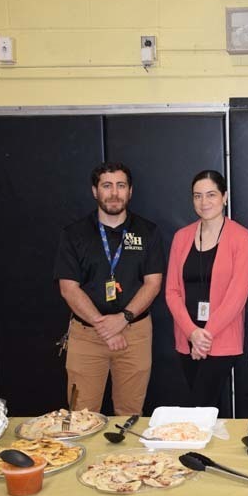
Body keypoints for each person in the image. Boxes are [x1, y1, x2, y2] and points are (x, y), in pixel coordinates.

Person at [54, 162, 164, 415]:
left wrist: (123, 319)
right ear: (95, 191)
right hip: (87, 335)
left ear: (130, 191)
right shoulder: (74, 234)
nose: (114, 193)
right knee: (81, 415)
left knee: (130, 414)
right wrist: (105, 327)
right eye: (106, 186)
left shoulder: (148, 232)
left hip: (134, 333)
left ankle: (124, 457)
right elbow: (68, 288)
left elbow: (153, 283)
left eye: (120, 186)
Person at [165, 170, 248, 415]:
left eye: (211, 195)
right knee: (210, 409)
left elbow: (238, 295)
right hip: (187, 337)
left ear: (224, 197)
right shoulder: (181, 237)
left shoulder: (241, 237)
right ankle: (214, 452)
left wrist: (205, 336)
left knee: (200, 407)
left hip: (221, 338)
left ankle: (199, 453)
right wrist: (192, 333)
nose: (204, 202)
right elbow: (172, 291)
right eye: (198, 196)